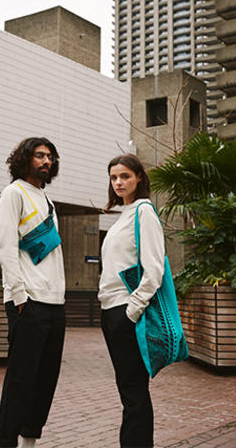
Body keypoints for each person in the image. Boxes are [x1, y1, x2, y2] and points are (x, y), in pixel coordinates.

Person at [0, 137, 66, 448]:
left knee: (45, 379)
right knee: (21, 380)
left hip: (55, 302)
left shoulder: (47, 200)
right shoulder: (13, 194)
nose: (45, 161)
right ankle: (6, 442)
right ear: (24, 159)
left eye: (49, 156)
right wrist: (19, 295)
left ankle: (29, 443)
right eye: (39, 155)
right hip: (29, 302)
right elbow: (6, 248)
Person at [98, 154, 163, 448]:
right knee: (128, 389)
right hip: (110, 309)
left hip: (125, 311)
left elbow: (154, 270)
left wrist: (131, 311)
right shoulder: (123, 215)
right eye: (114, 177)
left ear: (139, 178)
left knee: (134, 391)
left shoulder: (143, 211)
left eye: (125, 176)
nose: (119, 182)